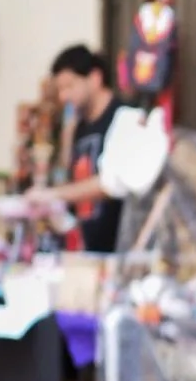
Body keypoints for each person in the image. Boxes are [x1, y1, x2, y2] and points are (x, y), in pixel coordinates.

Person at [25, 45, 124, 252]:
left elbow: (112, 182)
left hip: (122, 249)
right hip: (89, 250)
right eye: (60, 90)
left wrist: (52, 194)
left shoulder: (125, 118)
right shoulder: (79, 127)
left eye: (69, 86)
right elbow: (74, 186)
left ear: (95, 78)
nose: (63, 97)